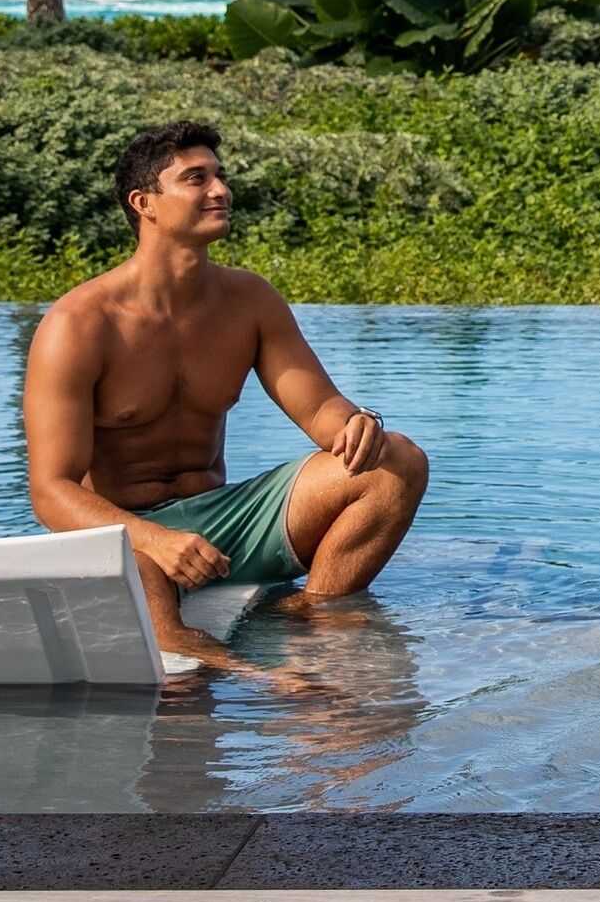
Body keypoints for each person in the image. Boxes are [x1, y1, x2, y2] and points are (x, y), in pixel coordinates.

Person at [23, 120, 429, 665]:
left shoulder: (249, 300)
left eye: (220, 176)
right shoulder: (78, 325)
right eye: (196, 179)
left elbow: (319, 408)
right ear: (144, 203)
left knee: (396, 461)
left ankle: (314, 619)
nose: (221, 190)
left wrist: (357, 423)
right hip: (127, 535)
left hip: (226, 525)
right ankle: (240, 671)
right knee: (151, 606)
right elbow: (50, 492)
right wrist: (153, 539)